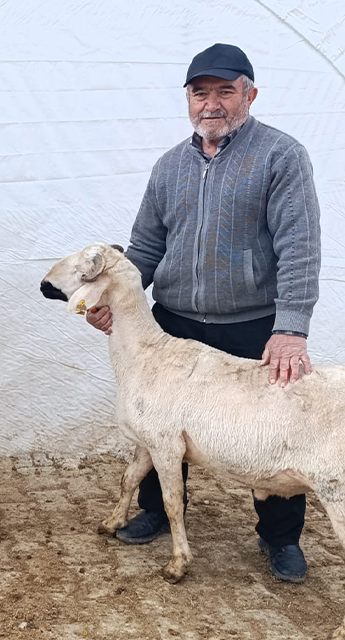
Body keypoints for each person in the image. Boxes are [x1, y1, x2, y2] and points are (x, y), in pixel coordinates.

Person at [86, 43, 321, 582]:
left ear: (250, 94)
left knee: (275, 428)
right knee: (155, 423)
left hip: (253, 326)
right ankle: (158, 512)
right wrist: (111, 300)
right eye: (200, 92)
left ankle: (280, 536)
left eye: (225, 91)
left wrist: (290, 329)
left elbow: (299, 246)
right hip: (173, 323)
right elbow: (142, 249)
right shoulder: (169, 167)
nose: (211, 103)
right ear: (188, 100)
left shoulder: (281, 156)